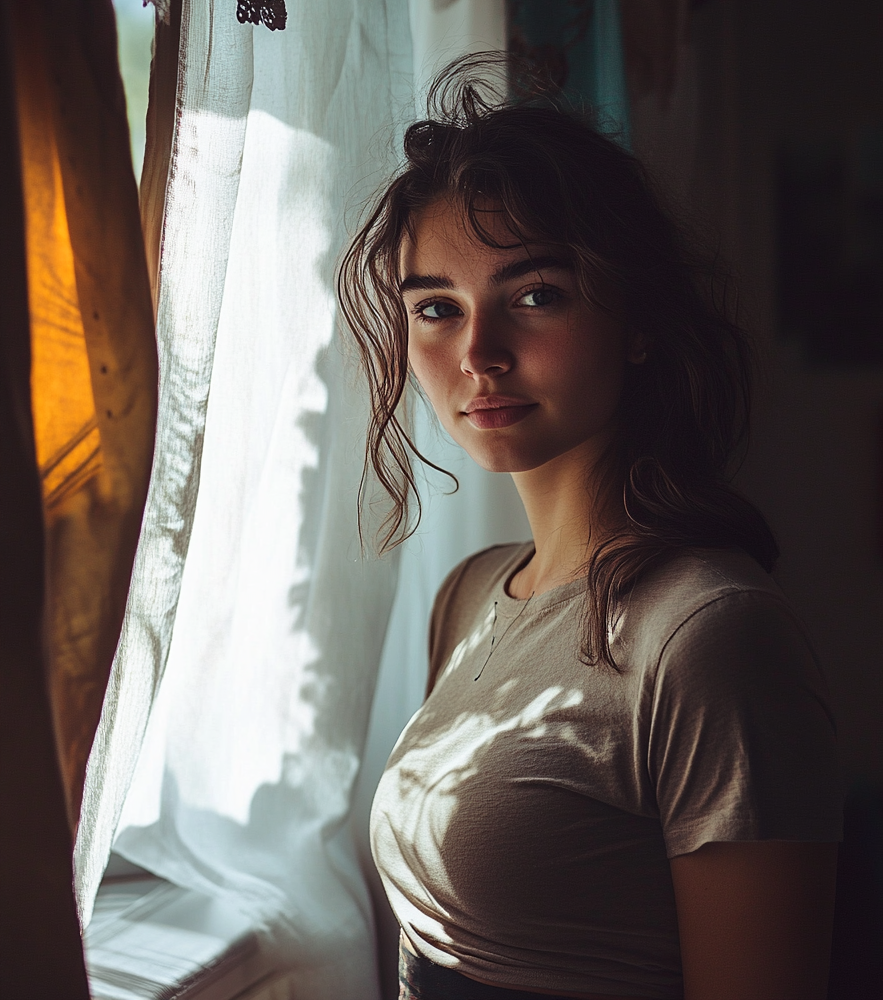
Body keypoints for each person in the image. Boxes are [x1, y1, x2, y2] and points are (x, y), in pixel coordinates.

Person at [339, 56, 843, 1000]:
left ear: (638, 318)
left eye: (536, 296)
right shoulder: (471, 596)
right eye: (437, 309)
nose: (478, 354)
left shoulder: (708, 634)